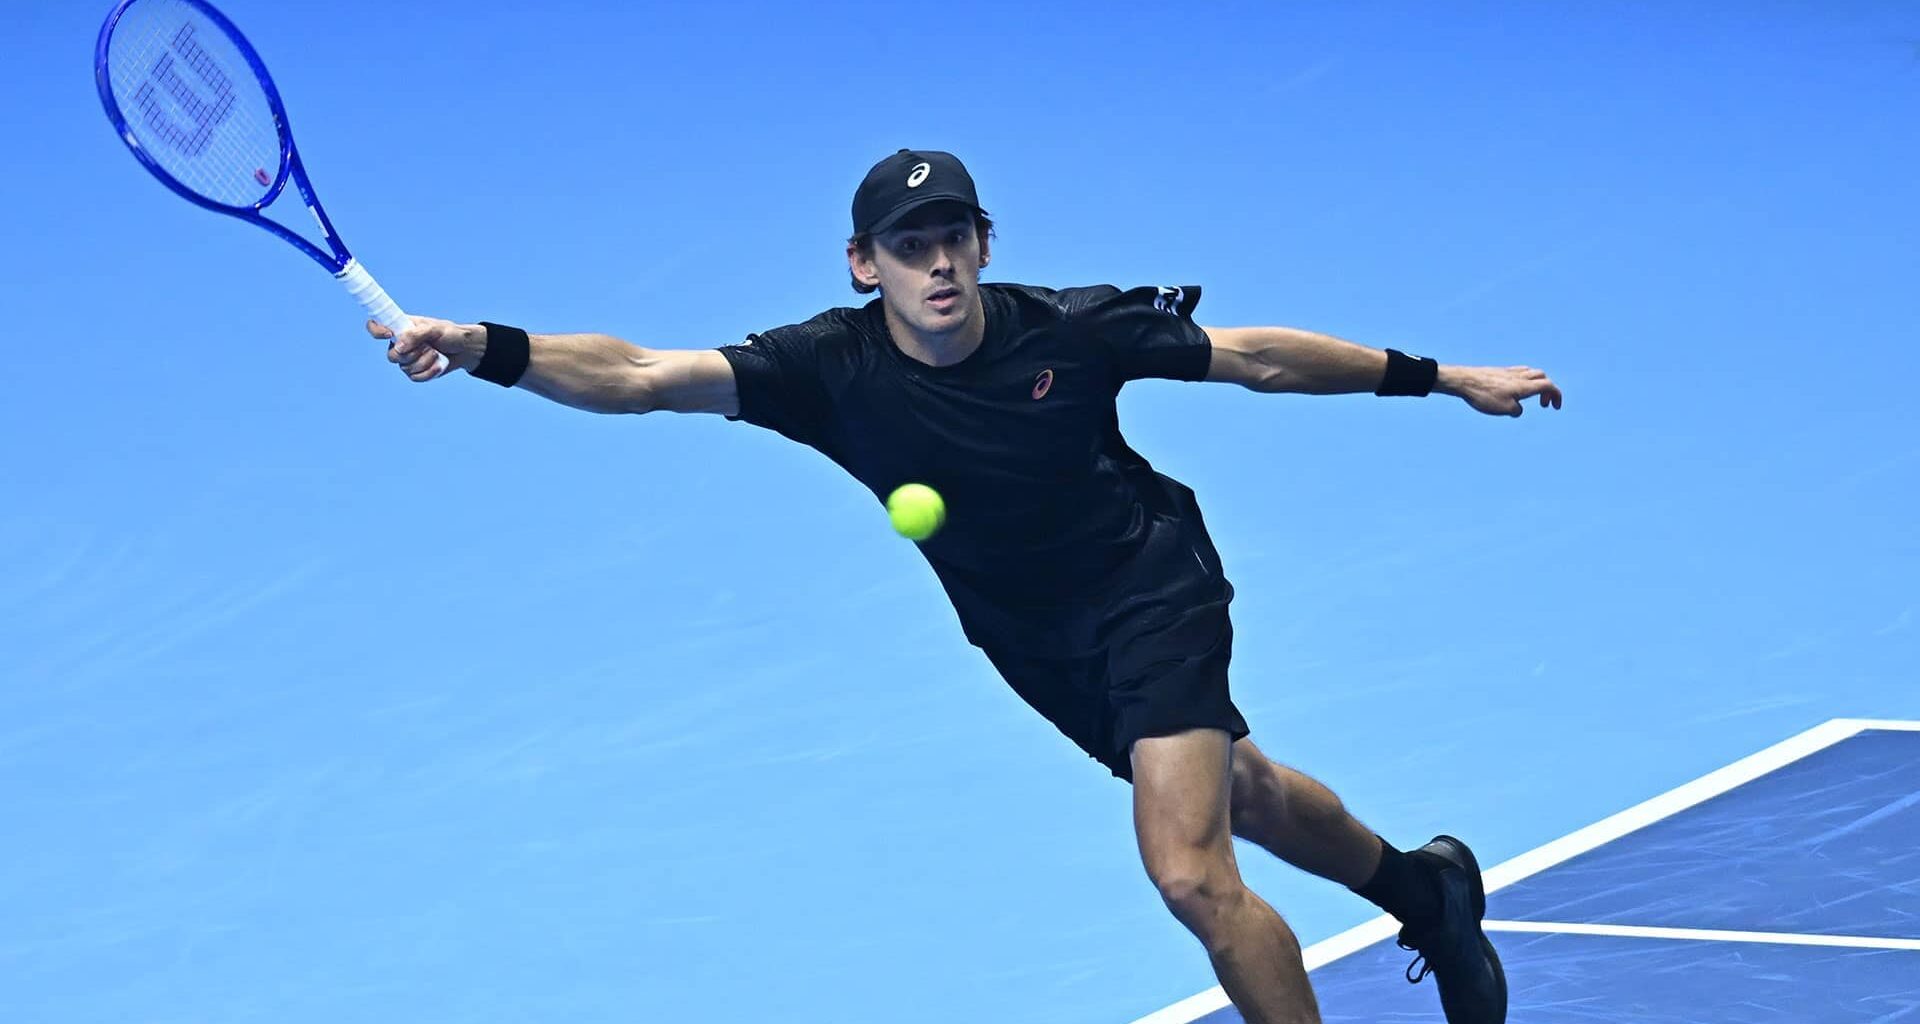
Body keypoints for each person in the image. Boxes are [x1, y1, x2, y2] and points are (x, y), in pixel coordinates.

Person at [375, 149, 1562, 1024]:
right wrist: (482, 344)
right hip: (1029, 638)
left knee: (1190, 868)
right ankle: (1426, 888)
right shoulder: (821, 370)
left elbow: (1254, 356)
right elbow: (637, 375)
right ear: (863, 263)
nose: (937, 262)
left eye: (955, 237)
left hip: (1151, 585)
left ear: (984, 245)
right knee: (1235, 788)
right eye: (909, 244)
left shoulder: (1072, 330)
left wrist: (1443, 376)